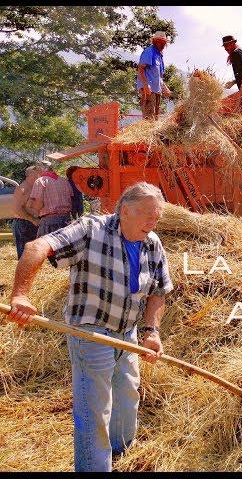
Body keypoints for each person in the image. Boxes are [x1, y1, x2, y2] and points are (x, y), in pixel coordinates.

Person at [5, 182, 173, 472]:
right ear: (124, 210)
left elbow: (158, 291)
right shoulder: (91, 229)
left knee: (127, 399)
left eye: (156, 216)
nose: (152, 221)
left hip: (128, 335)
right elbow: (38, 246)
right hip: (91, 333)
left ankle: (122, 456)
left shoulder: (152, 243)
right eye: (146, 214)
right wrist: (20, 294)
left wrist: (151, 333)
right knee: (95, 410)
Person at [26, 159, 74, 237]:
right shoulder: (64, 181)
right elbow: (72, 198)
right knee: (65, 247)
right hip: (66, 220)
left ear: (40, 169)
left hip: (50, 222)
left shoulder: (40, 181)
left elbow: (38, 204)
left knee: (48, 248)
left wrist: (30, 210)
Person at [136, 31, 172, 120]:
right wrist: (145, 85)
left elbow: (158, 77)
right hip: (148, 89)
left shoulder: (159, 56)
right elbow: (140, 68)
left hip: (157, 90)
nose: (162, 44)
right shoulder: (149, 51)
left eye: (164, 42)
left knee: (155, 119)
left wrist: (165, 88)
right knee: (149, 119)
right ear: (155, 41)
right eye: (160, 42)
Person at [11, 165, 43, 258]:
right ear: (31, 175)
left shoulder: (34, 187)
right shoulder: (23, 188)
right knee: (25, 256)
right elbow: (16, 208)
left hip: (32, 223)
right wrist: (32, 220)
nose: (40, 175)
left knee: (33, 255)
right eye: (38, 173)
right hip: (24, 224)